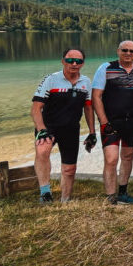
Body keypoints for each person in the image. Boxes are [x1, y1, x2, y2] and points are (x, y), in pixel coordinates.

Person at [31, 47, 96, 203]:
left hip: (71, 129)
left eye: (78, 61)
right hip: (49, 126)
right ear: (63, 61)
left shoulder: (86, 82)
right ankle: (45, 193)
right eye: (69, 60)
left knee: (69, 169)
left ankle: (65, 199)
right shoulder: (51, 80)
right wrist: (41, 130)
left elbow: (88, 108)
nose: (74, 63)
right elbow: (35, 108)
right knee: (42, 151)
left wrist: (92, 132)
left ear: (83, 63)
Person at [92, 40, 133, 205]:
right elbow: (96, 96)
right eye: (125, 50)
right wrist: (103, 121)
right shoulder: (106, 68)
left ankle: (123, 192)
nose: (128, 54)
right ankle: (111, 196)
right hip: (111, 121)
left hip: (132, 121)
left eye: (132, 51)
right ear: (118, 51)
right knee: (111, 159)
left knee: (128, 156)